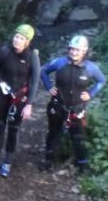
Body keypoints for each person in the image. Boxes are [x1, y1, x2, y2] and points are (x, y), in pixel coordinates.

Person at [39, 35, 105, 174]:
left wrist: (91, 94)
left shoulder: (90, 68)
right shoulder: (60, 62)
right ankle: (48, 160)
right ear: (68, 49)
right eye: (72, 49)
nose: (74, 53)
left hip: (77, 108)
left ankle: (82, 165)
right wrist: (49, 86)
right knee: (53, 132)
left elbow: (101, 80)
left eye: (78, 50)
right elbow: (43, 71)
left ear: (84, 52)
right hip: (58, 104)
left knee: (78, 136)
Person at [0, 24, 40, 178]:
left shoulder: (32, 56)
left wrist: (29, 104)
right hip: (2, 94)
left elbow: (34, 81)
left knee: (13, 129)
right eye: (16, 36)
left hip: (19, 97)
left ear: (27, 41)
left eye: (21, 38)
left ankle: (7, 162)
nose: (17, 40)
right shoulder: (5, 51)